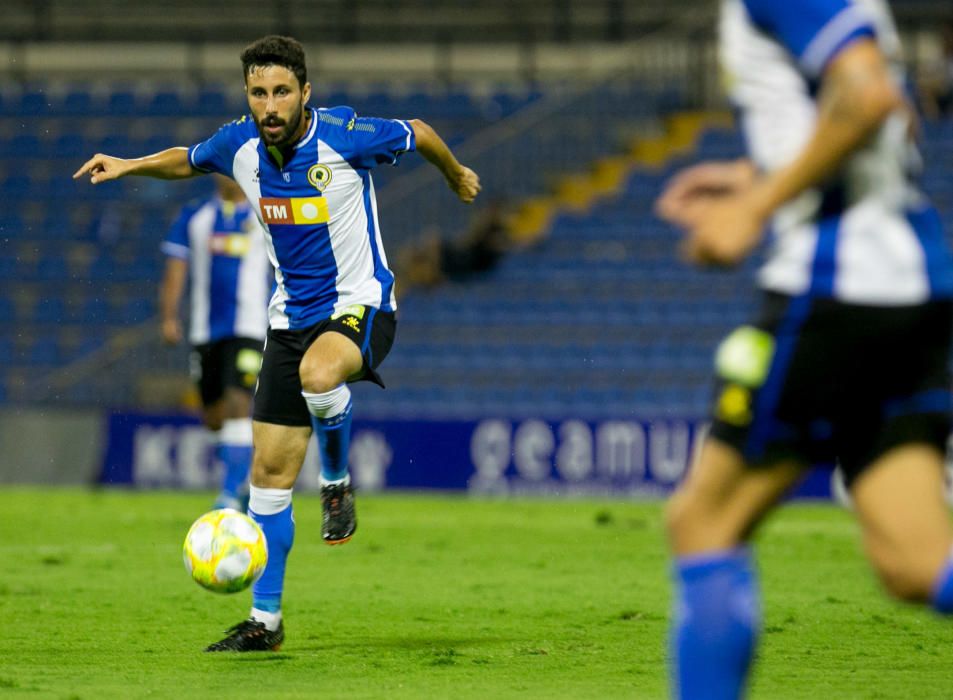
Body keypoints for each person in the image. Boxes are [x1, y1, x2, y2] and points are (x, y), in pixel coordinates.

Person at [75, 35, 480, 652]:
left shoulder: (345, 137)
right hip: (288, 321)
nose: (270, 104)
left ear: (304, 93)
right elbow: (188, 157)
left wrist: (454, 175)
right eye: (259, 92)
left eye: (282, 92)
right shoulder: (238, 144)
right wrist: (128, 164)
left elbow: (420, 131)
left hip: (361, 305)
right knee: (267, 477)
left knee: (321, 376)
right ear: (248, 95)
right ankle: (265, 623)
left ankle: (338, 480)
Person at [655, 1, 953, 698]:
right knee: (914, 562)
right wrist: (758, 177)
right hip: (903, 283)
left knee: (704, 522)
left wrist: (753, 210)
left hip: (837, 288)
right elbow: (891, 117)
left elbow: (867, 97)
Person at [159, 173, 271, 512]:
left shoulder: (265, 214)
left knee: (239, 402)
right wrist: (168, 316)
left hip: (250, 327)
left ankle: (229, 493)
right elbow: (175, 269)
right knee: (213, 416)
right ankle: (243, 479)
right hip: (205, 332)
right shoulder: (194, 217)